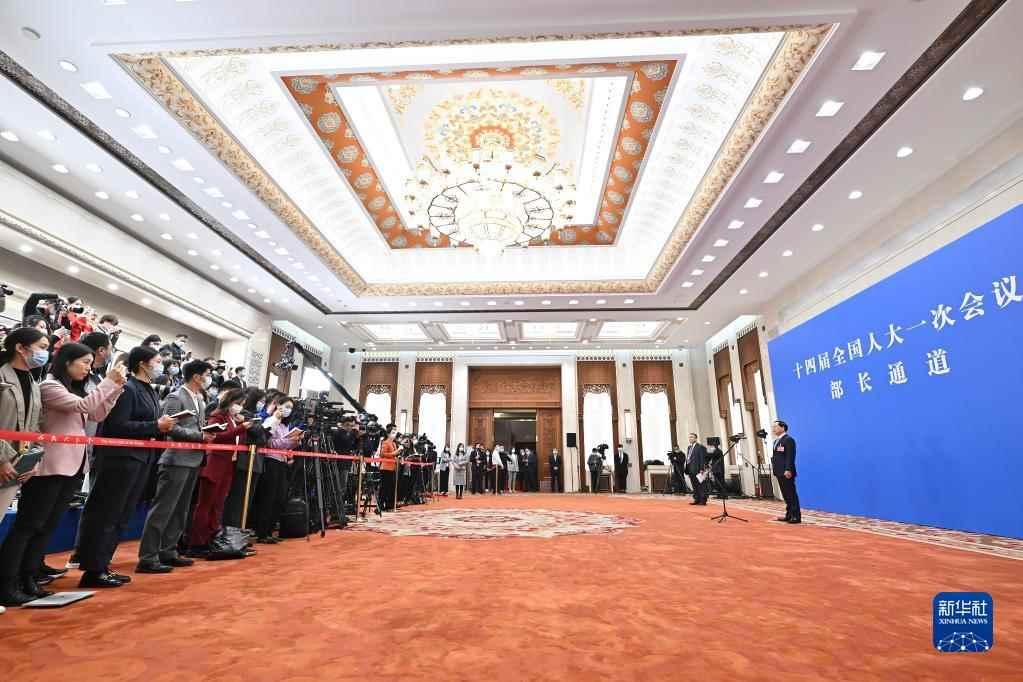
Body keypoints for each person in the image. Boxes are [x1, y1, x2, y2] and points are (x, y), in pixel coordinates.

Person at [76, 346, 178, 588]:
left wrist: (160, 426)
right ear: (143, 363)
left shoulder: (149, 390)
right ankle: (92, 569)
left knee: (121, 516)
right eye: (157, 361)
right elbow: (117, 426)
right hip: (119, 460)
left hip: (140, 459)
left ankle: (103, 565)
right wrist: (156, 425)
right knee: (107, 514)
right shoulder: (128, 388)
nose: (161, 366)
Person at [136, 359, 214, 574]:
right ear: (196, 376)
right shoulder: (176, 396)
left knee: (181, 509)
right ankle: (148, 556)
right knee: (163, 509)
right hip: (176, 459)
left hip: (194, 459)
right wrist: (199, 436)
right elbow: (169, 427)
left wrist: (208, 433)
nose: (209, 378)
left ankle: (168, 550)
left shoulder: (199, 399)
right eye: (207, 374)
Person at [0, 328, 49, 606]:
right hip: (3, 462)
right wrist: (3, 458)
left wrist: (32, 459)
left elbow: (34, 426)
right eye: (41, 346)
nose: (45, 353)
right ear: (21, 347)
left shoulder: (32, 381)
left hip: (16, 466)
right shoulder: (1, 375)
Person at [188, 388, 250, 554]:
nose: (240, 407)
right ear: (230, 401)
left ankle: (212, 539)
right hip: (214, 464)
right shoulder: (217, 416)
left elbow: (237, 440)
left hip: (228, 465)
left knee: (218, 505)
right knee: (205, 505)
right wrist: (241, 428)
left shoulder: (232, 418)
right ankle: (197, 542)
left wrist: (240, 426)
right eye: (238, 403)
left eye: (242, 404)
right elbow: (216, 436)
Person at [252, 396, 301, 543]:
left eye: (290, 408)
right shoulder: (270, 421)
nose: (288, 410)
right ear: (278, 405)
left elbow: (284, 444)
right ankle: (262, 532)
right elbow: (269, 443)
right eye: (286, 406)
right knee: (268, 497)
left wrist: (294, 442)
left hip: (282, 462)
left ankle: (270, 530)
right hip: (270, 461)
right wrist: (288, 441)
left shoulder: (286, 425)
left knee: (280, 497)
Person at [222, 387, 268, 529]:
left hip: (253, 461)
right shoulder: (242, 414)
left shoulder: (253, 416)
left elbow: (262, 438)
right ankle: (231, 531)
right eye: (260, 400)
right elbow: (257, 433)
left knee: (246, 501)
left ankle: (238, 531)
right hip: (242, 461)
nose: (262, 404)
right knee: (237, 500)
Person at [771, 420, 800, 524]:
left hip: (786, 472)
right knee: (786, 495)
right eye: (773, 427)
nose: (773, 429)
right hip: (779, 471)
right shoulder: (776, 441)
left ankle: (796, 516)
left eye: (775, 426)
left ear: (783, 427)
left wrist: (788, 469)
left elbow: (790, 456)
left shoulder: (788, 440)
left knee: (791, 494)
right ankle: (789, 515)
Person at [378, 425, 399, 511]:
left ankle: (389, 504)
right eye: (392, 433)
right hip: (385, 467)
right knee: (384, 487)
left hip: (393, 467)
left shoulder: (394, 443)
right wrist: (395, 453)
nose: (394, 434)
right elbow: (382, 454)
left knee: (391, 487)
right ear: (388, 434)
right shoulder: (385, 442)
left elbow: (395, 454)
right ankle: (380, 504)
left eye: (395, 433)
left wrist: (397, 455)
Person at [684, 434, 709, 505]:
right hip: (690, 469)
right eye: (689, 437)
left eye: (692, 437)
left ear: (696, 438)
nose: (690, 438)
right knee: (694, 485)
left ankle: (703, 500)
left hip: (698, 469)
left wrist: (702, 469)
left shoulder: (700, 447)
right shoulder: (689, 447)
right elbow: (688, 458)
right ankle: (697, 499)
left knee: (701, 485)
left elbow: (702, 458)